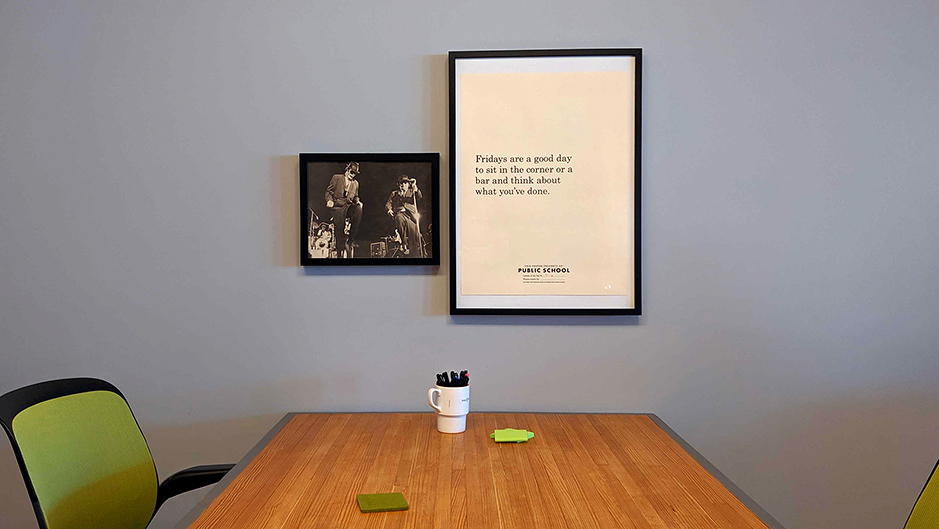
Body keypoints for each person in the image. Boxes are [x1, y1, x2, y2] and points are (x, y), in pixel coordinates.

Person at [325, 161, 363, 258]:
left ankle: (351, 239)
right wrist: (329, 201)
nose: (352, 175)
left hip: (348, 206)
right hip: (338, 206)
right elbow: (329, 192)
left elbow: (355, 197)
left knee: (358, 209)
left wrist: (358, 201)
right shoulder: (337, 178)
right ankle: (339, 251)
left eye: (354, 173)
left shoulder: (355, 183)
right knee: (339, 228)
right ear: (347, 170)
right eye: (351, 172)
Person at [385, 174, 423, 257]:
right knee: (399, 217)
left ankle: (415, 257)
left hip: (411, 217)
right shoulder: (394, 193)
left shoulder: (412, 191)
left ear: (408, 184)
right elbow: (388, 203)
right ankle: (403, 243)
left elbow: (419, 196)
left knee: (414, 239)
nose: (403, 185)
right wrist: (389, 210)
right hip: (400, 215)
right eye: (401, 183)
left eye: (405, 183)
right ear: (398, 185)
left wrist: (414, 186)